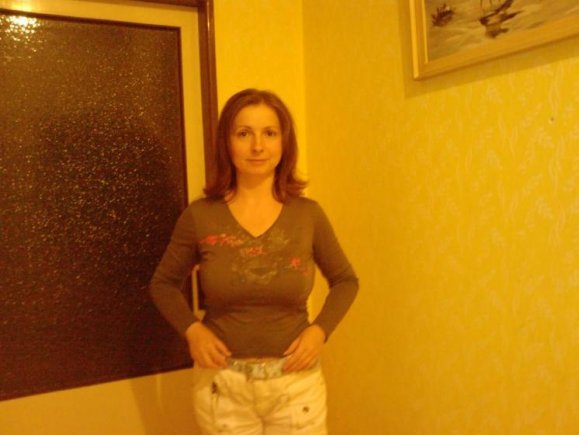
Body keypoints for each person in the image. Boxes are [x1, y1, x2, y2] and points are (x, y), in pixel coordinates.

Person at [150, 88, 358, 434]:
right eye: (244, 133)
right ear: (226, 142)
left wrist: (320, 331)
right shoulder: (200, 216)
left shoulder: (308, 215)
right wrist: (193, 330)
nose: (258, 146)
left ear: (284, 142)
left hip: (295, 386)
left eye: (270, 133)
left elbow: (346, 281)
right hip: (223, 386)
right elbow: (163, 284)